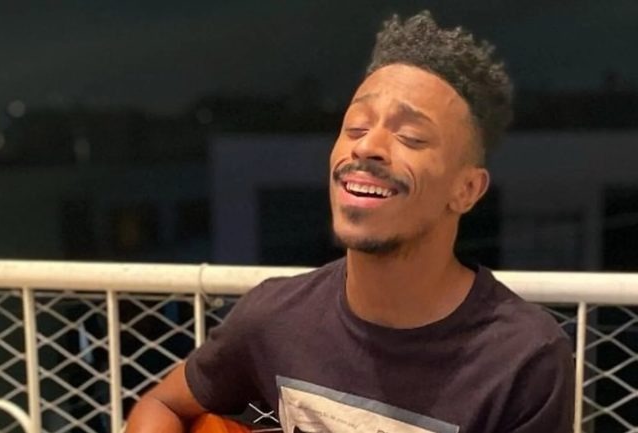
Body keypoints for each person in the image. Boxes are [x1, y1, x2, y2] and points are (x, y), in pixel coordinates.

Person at [125, 10, 574, 433]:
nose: (367, 147)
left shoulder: (523, 357)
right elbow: (162, 404)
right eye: (356, 127)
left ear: (467, 189)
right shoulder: (274, 317)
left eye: (410, 136)